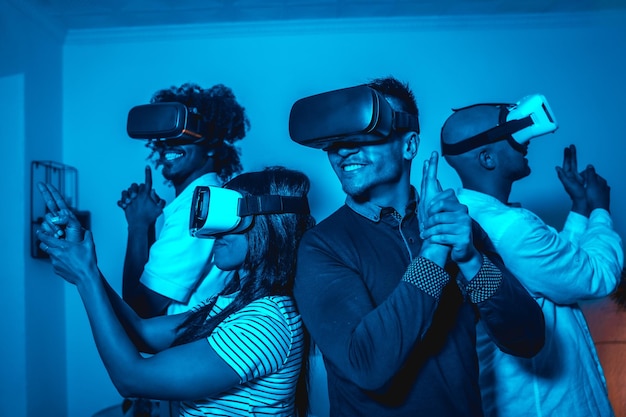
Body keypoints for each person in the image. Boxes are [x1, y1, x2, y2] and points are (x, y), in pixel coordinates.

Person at [288, 76, 545, 417]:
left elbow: (526, 338)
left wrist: (469, 258)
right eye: (336, 141)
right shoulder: (322, 246)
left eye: (366, 134)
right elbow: (368, 366)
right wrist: (434, 252)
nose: (344, 151)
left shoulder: (459, 229)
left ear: (409, 146)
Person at [36, 166, 314, 417]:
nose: (214, 231)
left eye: (229, 217)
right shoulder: (234, 302)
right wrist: (87, 266)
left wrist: (85, 276)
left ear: (270, 226)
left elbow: (131, 379)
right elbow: (140, 332)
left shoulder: (265, 321)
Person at [440, 100, 624, 417]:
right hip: (550, 406)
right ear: (486, 157)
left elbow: (558, 270)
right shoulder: (512, 229)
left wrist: (579, 206)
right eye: (511, 134)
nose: (525, 142)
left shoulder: (477, 216)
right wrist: (600, 209)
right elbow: (597, 276)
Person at [119, 82, 250, 318]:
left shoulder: (198, 206)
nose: (168, 142)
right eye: (164, 133)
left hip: (186, 348)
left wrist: (137, 225)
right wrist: (146, 224)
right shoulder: (206, 197)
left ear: (211, 145)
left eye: (181, 132)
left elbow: (140, 309)